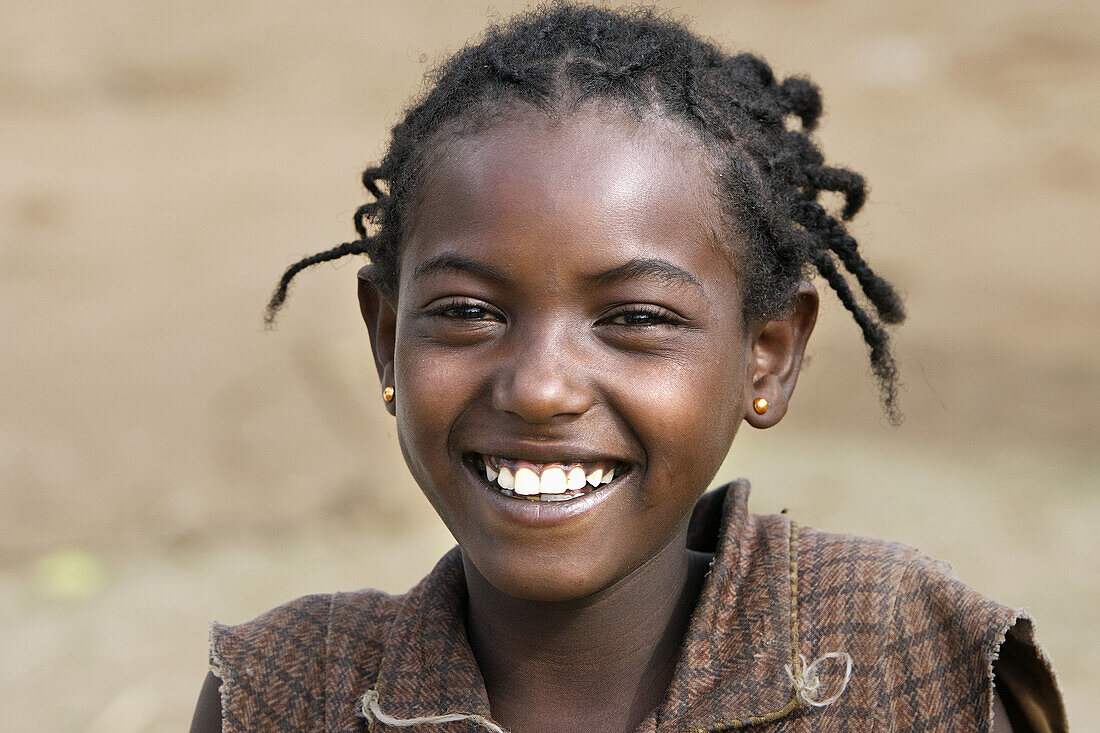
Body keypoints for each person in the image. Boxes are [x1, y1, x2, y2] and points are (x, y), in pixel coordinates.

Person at [189, 5, 1065, 731]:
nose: (539, 386)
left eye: (636, 319)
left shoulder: (895, 657)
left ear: (768, 354)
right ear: (386, 336)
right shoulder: (285, 695)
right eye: (467, 312)